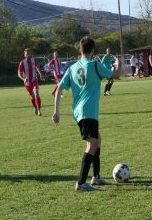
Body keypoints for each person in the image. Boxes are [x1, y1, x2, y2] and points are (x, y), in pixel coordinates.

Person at [52, 36, 122, 192]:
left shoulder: (72, 68)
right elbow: (115, 74)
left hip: (78, 112)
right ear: (93, 51)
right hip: (88, 112)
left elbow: (58, 89)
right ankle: (81, 183)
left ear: (80, 50)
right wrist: (118, 63)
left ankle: (96, 177)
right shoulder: (95, 65)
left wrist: (56, 112)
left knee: (97, 140)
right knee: (91, 144)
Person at [18, 48, 45, 116]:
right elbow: (19, 73)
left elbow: (37, 67)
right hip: (27, 83)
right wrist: (23, 78)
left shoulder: (34, 60)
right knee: (32, 97)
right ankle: (35, 107)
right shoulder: (22, 63)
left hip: (34, 80)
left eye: (29, 53)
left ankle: (39, 110)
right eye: (27, 54)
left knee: (36, 93)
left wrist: (41, 75)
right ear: (24, 55)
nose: (28, 55)